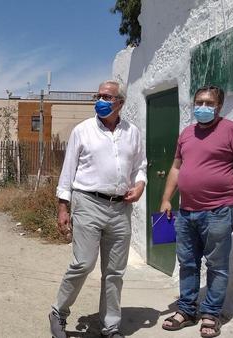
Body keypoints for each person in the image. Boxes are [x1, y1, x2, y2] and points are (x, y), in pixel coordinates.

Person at [160, 85, 233, 338]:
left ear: (219, 106)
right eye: (198, 102)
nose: (202, 107)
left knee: (216, 266)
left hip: (218, 211)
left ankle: (210, 315)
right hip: (185, 212)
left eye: (208, 103)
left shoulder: (232, 131)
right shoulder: (186, 133)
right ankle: (186, 310)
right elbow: (176, 168)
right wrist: (166, 199)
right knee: (187, 264)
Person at [49, 80, 147, 338]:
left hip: (120, 208)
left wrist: (140, 185)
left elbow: (140, 166)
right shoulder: (83, 130)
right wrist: (63, 207)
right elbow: (67, 171)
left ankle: (110, 325)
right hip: (88, 202)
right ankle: (58, 311)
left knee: (114, 271)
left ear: (120, 103)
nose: (100, 100)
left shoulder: (132, 132)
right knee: (83, 263)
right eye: (98, 95)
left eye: (107, 97)